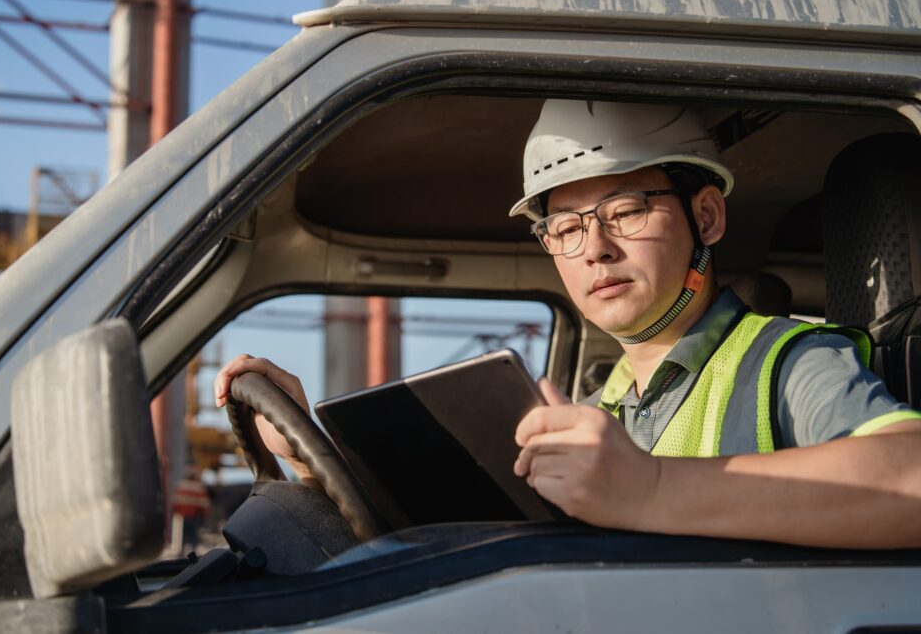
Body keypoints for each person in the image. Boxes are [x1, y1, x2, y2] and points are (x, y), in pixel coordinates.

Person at [216, 99, 921, 548]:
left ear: (705, 216)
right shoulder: (597, 407)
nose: (596, 249)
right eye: (566, 227)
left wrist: (649, 489)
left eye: (625, 211)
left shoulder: (789, 360)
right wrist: (311, 455)